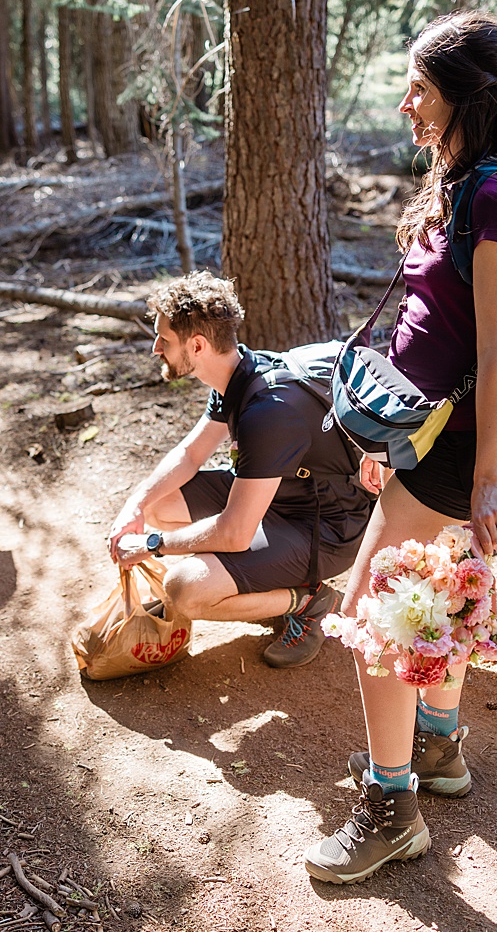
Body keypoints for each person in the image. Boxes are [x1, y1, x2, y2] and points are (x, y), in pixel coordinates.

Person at [302, 11, 497, 885]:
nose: (408, 103)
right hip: (428, 438)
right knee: (437, 598)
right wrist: (391, 441)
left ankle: (389, 804)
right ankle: (440, 749)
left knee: (378, 609)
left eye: (421, 88)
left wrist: (488, 482)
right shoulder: (470, 179)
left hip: (457, 449)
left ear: (464, 97)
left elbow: (496, 352)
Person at [105, 274, 378, 670]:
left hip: (323, 529)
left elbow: (235, 532)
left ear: (196, 345)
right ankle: (247, 574)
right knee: (158, 501)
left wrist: (153, 545)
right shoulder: (237, 373)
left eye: (163, 338)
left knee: (184, 590)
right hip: (276, 501)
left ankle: (309, 601)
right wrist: (135, 505)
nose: (155, 347)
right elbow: (190, 453)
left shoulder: (268, 411)